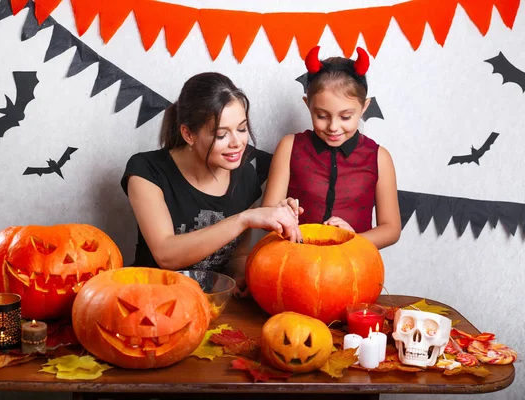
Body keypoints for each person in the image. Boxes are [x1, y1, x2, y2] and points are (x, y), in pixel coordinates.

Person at [121, 72, 302, 295]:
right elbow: (165, 254)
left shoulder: (245, 176)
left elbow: (237, 255)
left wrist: (241, 275)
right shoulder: (147, 170)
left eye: (242, 129)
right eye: (221, 135)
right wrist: (244, 219)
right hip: (153, 301)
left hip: (213, 305)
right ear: (188, 134)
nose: (237, 143)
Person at [262, 46, 401, 249]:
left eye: (345, 117)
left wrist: (352, 240)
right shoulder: (289, 147)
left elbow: (391, 229)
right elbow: (266, 214)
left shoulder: (379, 157)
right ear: (307, 104)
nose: (333, 127)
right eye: (322, 116)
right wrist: (280, 212)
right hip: (295, 259)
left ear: (364, 107)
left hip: (353, 266)